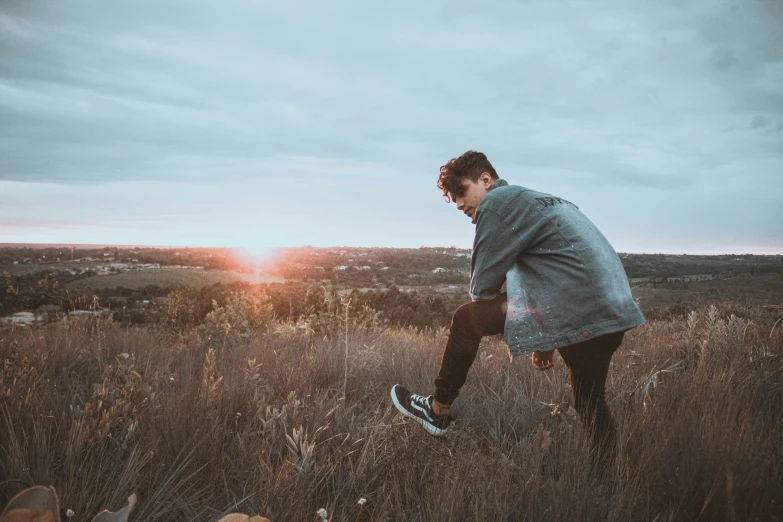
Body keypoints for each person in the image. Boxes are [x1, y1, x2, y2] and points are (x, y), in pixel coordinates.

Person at [390, 151, 645, 458]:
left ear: (486, 180)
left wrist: (539, 335)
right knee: (591, 402)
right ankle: (607, 486)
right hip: (611, 311)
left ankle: (437, 409)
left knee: (466, 319)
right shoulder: (546, 200)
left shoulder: (497, 203)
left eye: (461, 191)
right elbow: (553, 273)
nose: (458, 204)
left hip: (579, 309)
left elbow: (482, 290)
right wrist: (545, 341)